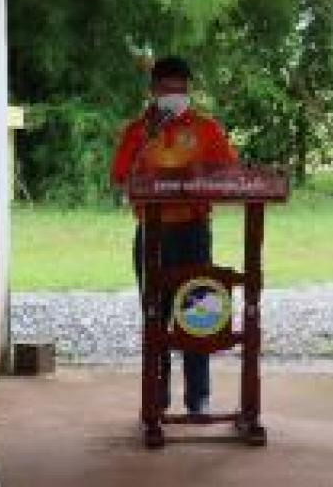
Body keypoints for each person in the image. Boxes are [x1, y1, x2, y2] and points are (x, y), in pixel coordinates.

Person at [111, 56, 239, 415]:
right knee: (155, 315)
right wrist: (146, 142)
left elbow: (230, 172)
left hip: (193, 232)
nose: (174, 95)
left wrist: (202, 174)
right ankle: (157, 398)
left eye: (181, 89)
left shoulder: (206, 129)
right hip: (152, 232)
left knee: (198, 312)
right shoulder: (137, 130)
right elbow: (120, 175)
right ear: (153, 90)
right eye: (167, 89)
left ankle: (198, 399)